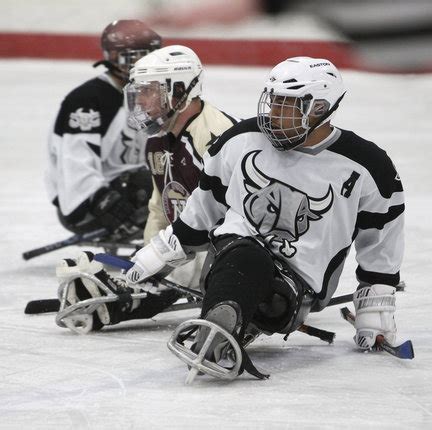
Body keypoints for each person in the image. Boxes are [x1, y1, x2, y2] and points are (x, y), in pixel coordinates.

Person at [124, 56, 405, 382]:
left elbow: (382, 237)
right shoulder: (239, 139)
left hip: (297, 287)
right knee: (244, 253)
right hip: (231, 254)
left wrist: (375, 308)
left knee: (271, 303)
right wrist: (159, 252)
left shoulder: (369, 165)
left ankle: (230, 319)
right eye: (274, 102)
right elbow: (203, 209)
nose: (274, 115)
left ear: (321, 107)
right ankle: (222, 325)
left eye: (289, 105)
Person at [54, 45, 238, 333]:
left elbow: (242, 217)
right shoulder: (158, 139)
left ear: (180, 90)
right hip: (188, 244)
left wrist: (176, 265)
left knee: (167, 270)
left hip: (227, 250)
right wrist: (150, 253)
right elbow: (159, 208)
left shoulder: (217, 138)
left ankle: (119, 300)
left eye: (148, 90)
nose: (139, 100)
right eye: (137, 90)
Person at [45, 20, 161, 239]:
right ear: (113, 58)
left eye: (149, 56)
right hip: (90, 207)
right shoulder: (87, 101)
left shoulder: (149, 93)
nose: (141, 64)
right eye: (132, 58)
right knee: (149, 183)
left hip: (130, 185)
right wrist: (100, 200)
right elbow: (73, 164)